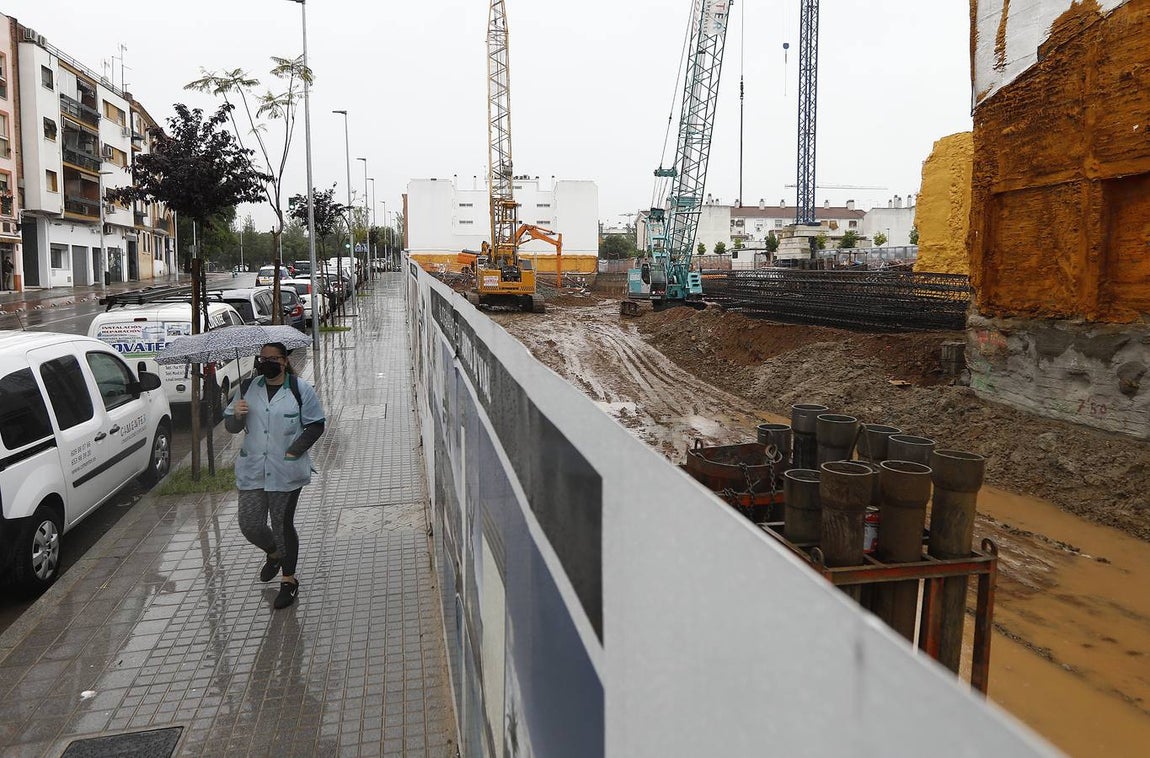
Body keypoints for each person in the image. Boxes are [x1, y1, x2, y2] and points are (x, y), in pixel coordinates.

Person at [224, 342, 326, 609]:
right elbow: (232, 427)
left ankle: (289, 580)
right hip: (253, 468)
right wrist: (236, 415)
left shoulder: (299, 389)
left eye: (273, 358)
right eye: (263, 358)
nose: (266, 362)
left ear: (284, 361)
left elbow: (316, 424)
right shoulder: (247, 389)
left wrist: (295, 450)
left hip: (286, 470)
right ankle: (274, 552)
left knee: (281, 523)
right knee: (249, 524)